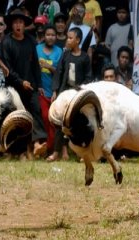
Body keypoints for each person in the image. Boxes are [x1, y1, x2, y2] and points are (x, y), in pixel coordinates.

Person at [0, 9, 48, 158]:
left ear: (24, 25)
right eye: (15, 23)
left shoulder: (31, 41)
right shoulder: (6, 42)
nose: (18, 25)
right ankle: (17, 152)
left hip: (31, 85)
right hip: (14, 87)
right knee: (17, 119)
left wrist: (39, 84)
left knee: (36, 110)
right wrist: (21, 82)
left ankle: (37, 144)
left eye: (21, 22)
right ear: (12, 25)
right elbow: (7, 68)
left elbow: (35, 65)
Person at [51, 27, 92, 161]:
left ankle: (81, 152)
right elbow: (59, 72)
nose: (67, 40)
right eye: (67, 38)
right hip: (64, 92)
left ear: (78, 40)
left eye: (70, 38)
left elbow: (88, 77)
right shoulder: (66, 55)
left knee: (79, 123)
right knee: (60, 123)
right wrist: (55, 90)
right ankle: (57, 152)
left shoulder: (85, 57)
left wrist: (81, 90)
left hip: (77, 95)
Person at [36, 25, 63, 160]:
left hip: (53, 92)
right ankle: (46, 147)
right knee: (44, 119)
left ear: (56, 37)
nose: (50, 37)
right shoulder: (37, 49)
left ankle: (52, 149)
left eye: (53, 35)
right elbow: (33, 70)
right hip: (41, 91)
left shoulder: (59, 51)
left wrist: (48, 67)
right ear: (44, 36)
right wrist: (37, 86)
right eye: (48, 35)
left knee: (53, 121)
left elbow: (60, 72)